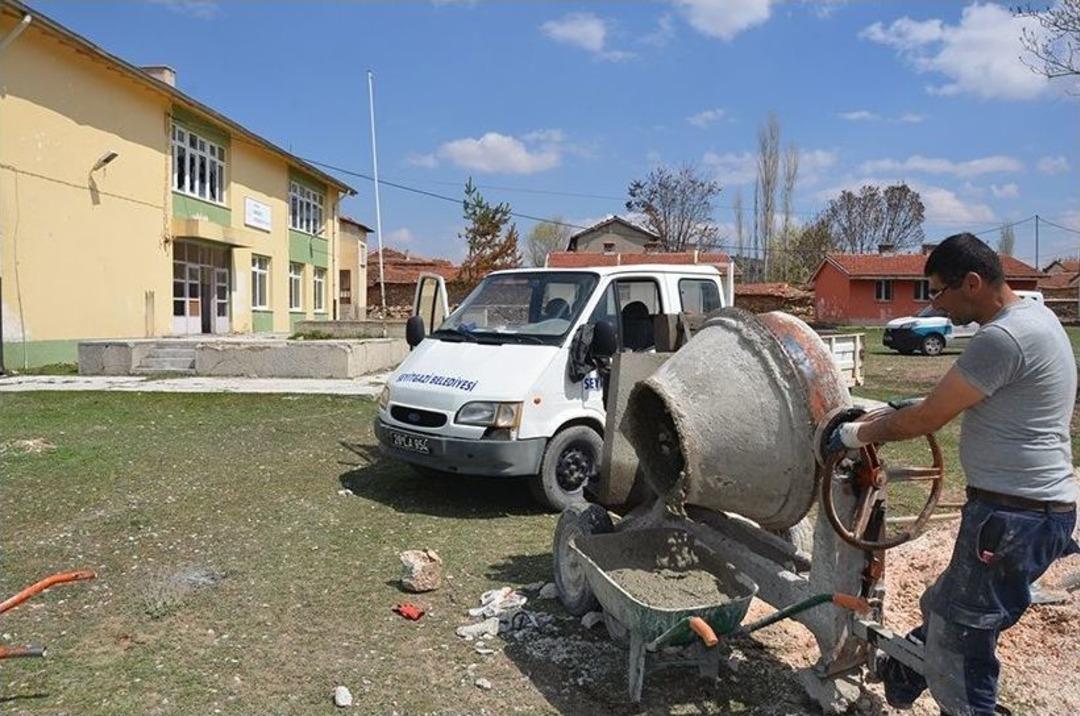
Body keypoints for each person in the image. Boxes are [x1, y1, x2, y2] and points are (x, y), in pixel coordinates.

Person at [829, 233, 1079, 716]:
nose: (932, 303)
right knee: (941, 605)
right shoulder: (1036, 318)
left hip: (1010, 518)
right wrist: (903, 408)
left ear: (972, 282)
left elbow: (927, 420)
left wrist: (851, 437)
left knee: (959, 645)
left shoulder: (1001, 337)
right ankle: (905, 674)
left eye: (938, 290)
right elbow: (967, 400)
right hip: (1036, 512)